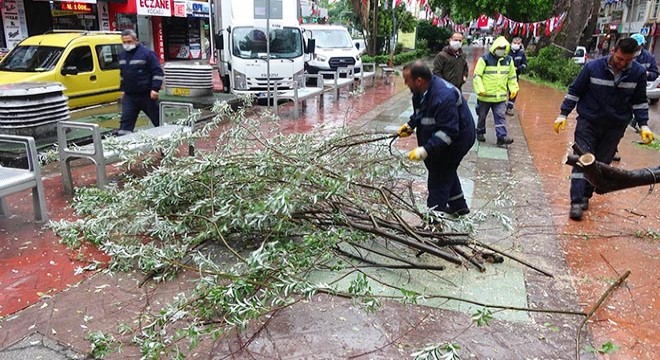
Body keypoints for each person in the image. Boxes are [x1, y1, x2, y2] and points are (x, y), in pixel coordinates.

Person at [553, 37, 655, 221]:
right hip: (588, 122)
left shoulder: (638, 73)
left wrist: (644, 125)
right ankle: (576, 202)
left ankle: (585, 196)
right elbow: (575, 91)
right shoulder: (592, 68)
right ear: (613, 51)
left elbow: (639, 102)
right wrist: (563, 114)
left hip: (615, 127)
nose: (622, 64)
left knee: (601, 163)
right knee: (583, 160)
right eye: (619, 59)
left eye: (627, 60)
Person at [397, 61, 476, 216]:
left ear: (419, 80)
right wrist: (411, 125)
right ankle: (459, 207)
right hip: (442, 136)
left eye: (407, 80)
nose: (405, 83)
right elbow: (420, 112)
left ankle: (433, 223)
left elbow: (448, 132)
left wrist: (426, 149)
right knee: (447, 171)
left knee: (438, 177)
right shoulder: (419, 92)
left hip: (457, 140)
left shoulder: (443, 96)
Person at [473, 36, 519, 145]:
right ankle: (480, 132)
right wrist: (480, 89)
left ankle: (501, 137)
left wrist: (514, 88)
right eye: (500, 47)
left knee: (500, 116)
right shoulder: (485, 58)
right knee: (482, 116)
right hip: (485, 95)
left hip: (500, 96)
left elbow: (512, 77)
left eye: (503, 48)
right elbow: (477, 75)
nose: (501, 50)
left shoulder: (508, 60)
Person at [118, 29, 164, 135]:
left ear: (136, 40)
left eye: (129, 42)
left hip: (147, 95)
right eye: (124, 42)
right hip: (130, 96)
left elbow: (157, 72)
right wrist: (122, 89)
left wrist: (155, 89)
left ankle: (166, 147)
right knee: (125, 124)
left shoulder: (147, 54)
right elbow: (123, 74)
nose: (126, 44)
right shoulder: (122, 55)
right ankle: (125, 149)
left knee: (158, 121)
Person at [505, 37, 527, 116]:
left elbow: (524, 65)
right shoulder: (507, 51)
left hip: (515, 76)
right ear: (511, 42)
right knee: (503, 90)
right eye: (515, 43)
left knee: (513, 91)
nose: (516, 45)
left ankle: (510, 107)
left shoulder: (521, 53)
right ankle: (501, 106)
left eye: (518, 43)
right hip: (505, 75)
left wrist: (518, 68)